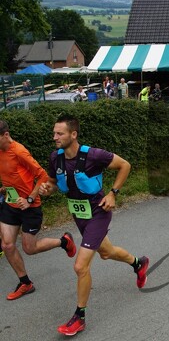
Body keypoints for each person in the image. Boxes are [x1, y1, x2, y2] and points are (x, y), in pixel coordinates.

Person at [38, 115, 148, 336]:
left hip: (99, 212)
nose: (55, 137)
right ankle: (138, 263)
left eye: (59, 133)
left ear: (73, 134)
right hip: (80, 215)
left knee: (80, 266)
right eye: (54, 133)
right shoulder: (55, 158)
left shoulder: (94, 155)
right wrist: (46, 189)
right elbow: (52, 182)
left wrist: (112, 193)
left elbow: (125, 165)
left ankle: (79, 317)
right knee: (106, 252)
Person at [0, 120, 77, 301]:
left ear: (5, 135)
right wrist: (4, 188)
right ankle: (25, 283)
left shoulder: (19, 151)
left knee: (29, 248)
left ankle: (63, 241)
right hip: (11, 205)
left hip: (29, 206)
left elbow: (42, 175)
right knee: (7, 245)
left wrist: (29, 199)